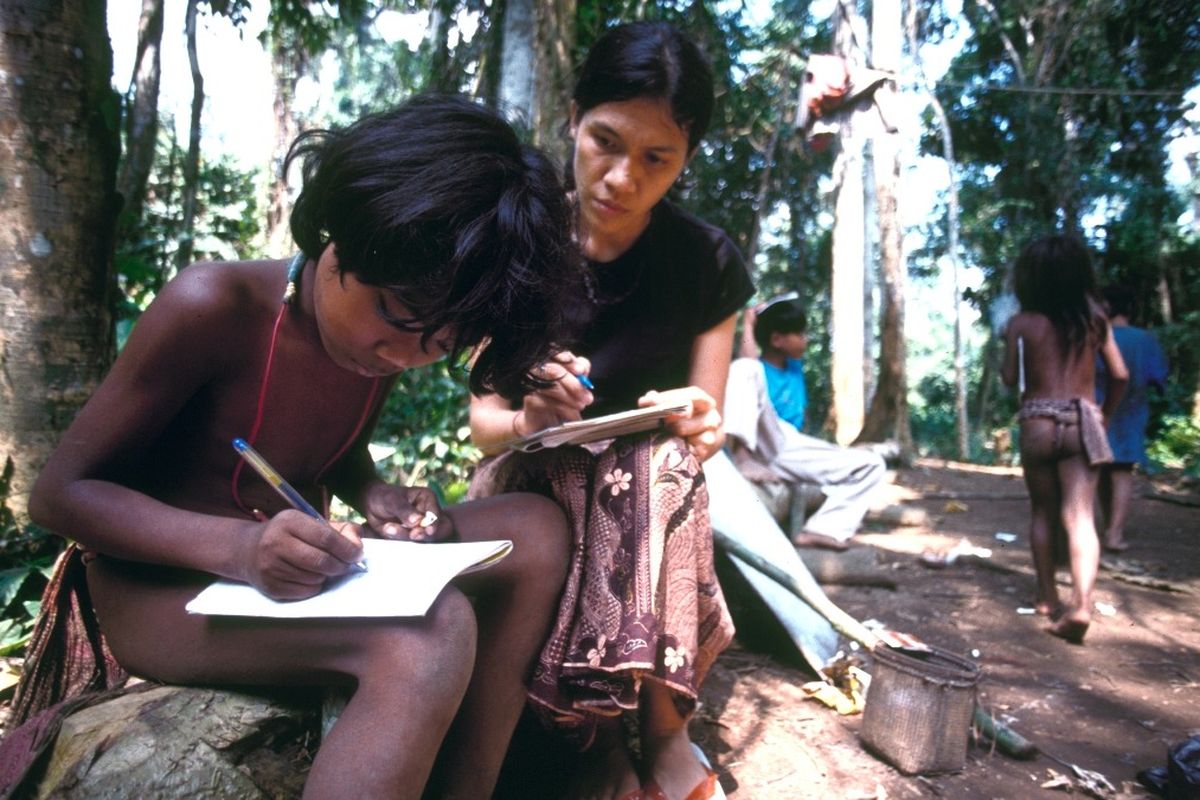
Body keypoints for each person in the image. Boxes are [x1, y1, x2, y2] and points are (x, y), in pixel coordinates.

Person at [22, 95, 577, 800]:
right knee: (427, 635)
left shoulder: (369, 341)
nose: (401, 356)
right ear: (340, 237)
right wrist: (239, 551)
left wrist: (373, 493)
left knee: (533, 529)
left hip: (304, 573)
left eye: (436, 346)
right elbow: (61, 496)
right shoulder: (210, 306)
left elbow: (322, 450)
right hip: (170, 595)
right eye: (396, 319)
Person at [468, 21, 750, 800]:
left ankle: (659, 735)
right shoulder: (517, 242)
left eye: (657, 158)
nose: (622, 177)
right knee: (630, 474)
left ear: (687, 160)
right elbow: (484, 428)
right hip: (529, 489)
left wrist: (699, 422)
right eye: (604, 142)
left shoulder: (708, 264)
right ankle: (601, 740)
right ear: (573, 119)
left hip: (652, 503)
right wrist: (529, 420)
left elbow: (707, 432)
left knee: (656, 465)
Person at [1001, 234, 1128, 645]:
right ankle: (1081, 606)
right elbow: (1121, 375)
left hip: (1037, 420)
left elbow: (1008, 380)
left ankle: (1045, 597)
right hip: (1081, 418)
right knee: (1080, 516)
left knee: (1042, 511)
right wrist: (1103, 416)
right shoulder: (1094, 320)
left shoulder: (1021, 323)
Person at [724, 298, 887, 550]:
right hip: (765, 436)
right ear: (777, 340)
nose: (805, 339)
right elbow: (747, 359)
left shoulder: (793, 367)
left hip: (790, 447)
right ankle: (743, 456)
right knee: (745, 367)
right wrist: (748, 322)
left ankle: (824, 529)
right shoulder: (757, 368)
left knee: (872, 464)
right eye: (799, 334)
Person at [1095, 284, 1168, 553]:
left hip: (1100, 408)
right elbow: (1158, 377)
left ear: (1108, 307)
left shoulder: (1096, 336)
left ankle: (1107, 528)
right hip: (1132, 409)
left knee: (1101, 468)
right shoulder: (1145, 339)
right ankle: (1114, 533)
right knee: (1122, 471)